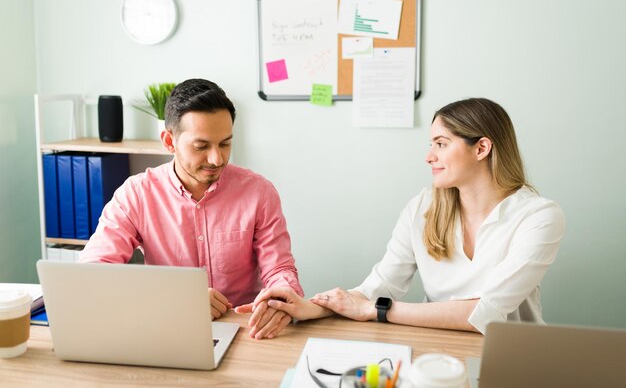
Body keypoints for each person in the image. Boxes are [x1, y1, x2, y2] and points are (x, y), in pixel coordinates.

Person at [239, 98, 565, 338]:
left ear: (481, 148)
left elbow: (486, 313)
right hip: (437, 344)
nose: (429, 157)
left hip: (512, 354)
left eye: (441, 144)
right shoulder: (423, 207)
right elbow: (381, 285)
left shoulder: (539, 217)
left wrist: (377, 311)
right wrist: (310, 307)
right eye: (431, 144)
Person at [80, 78, 303, 338]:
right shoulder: (136, 194)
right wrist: (177, 298)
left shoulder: (259, 192)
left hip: (247, 331)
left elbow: (279, 270)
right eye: (201, 146)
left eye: (225, 144)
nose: (216, 159)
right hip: (166, 327)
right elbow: (93, 272)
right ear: (168, 141)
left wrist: (283, 300)